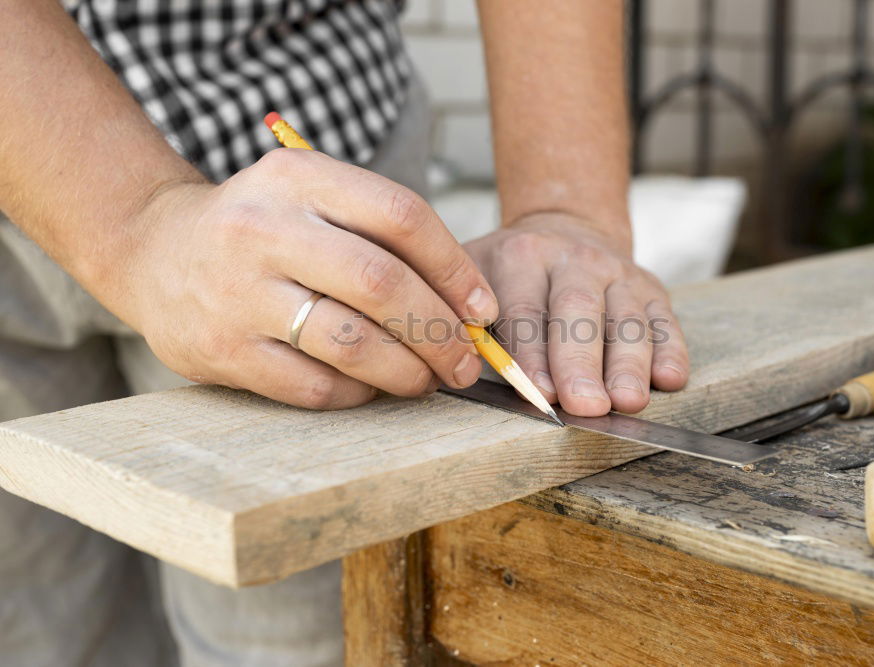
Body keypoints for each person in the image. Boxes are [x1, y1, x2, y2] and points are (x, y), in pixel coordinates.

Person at [0, 1, 690, 664]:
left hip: (330, 206)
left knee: (306, 640)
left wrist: (563, 207)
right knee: (36, 628)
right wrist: (134, 225)